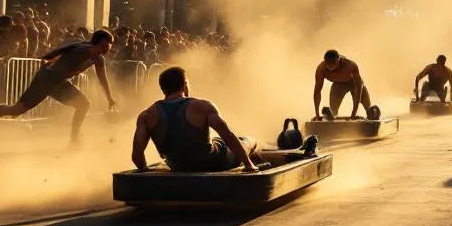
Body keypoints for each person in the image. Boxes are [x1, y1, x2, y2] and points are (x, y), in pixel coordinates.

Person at [130, 66, 317, 173]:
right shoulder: (202, 106)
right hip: (211, 161)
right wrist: (248, 166)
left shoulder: (146, 115)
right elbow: (228, 135)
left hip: (176, 163)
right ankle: (268, 153)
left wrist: (145, 171)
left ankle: (264, 154)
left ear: (163, 88)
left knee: (219, 142)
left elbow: (137, 155)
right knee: (249, 141)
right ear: (184, 84)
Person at [0, 29, 118, 144]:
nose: (111, 47)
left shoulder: (97, 58)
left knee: (83, 104)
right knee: (16, 110)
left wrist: (109, 98)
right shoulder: (85, 50)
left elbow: (102, 79)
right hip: (48, 79)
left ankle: (75, 140)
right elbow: (59, 56)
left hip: (58, 83)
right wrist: (48, 63)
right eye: (110, 43)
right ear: (103, 42)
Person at [313, 49, 373, 120]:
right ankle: (330, 119)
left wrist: (353, 114)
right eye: (328, 63)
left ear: (338, 59)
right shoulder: (321, 69)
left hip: (354, 83)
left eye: (333, 63)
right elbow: (317, 92)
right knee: (333, 111)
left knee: (367, 106)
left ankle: (372, 114)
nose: (330, 66)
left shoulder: (350, 65)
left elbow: (359, 89)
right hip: (338, 85)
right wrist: (317, 115)